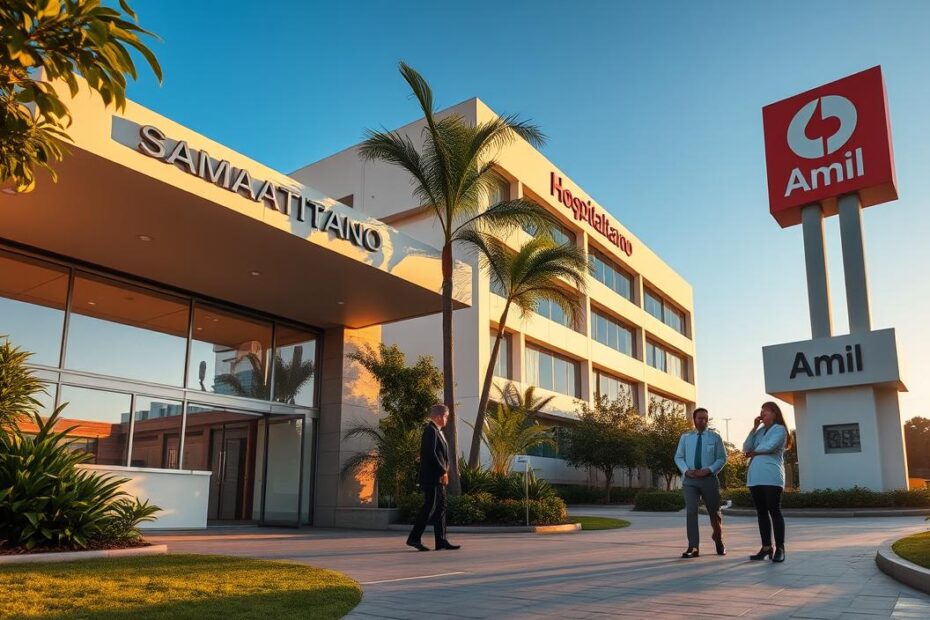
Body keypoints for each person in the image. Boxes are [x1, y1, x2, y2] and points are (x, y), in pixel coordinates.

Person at [674, 407, 727, 558]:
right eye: (700, 418)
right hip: (690, 480)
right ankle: (693, 546)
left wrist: (709, 469)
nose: (703, 421)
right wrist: (686, 470)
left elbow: (722, 458)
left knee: (714, 512)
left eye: (705, 418)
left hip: (708, 479)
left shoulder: (715, 437)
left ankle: (718, 540)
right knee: (691, 511)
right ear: (694, 420)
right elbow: (678, 457)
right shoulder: (686, 437)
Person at [406, 403, 460, 551]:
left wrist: (444, 471)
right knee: (429, 508)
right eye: (446, 416)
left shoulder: (437, 431)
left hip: (438, 477)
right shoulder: (430, 430)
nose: (447, 419)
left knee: (441, 508)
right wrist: (443, 471)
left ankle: (441, 540)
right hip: (432, 478)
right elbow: (431, 454)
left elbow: (441, 455)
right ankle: (414, 538)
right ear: (438, 416)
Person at [743, 401, 790, 563]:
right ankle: (766, 547)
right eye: (761, 411)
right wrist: (753, 428)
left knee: (774, 511)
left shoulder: (780, 430)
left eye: (766, 411)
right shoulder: (760, 431)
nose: (762, 414)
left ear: (774, 413)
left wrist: (753, 452)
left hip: (771, 476)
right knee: (761, 512)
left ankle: (780, 548)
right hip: (755, 476)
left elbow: (769, 447)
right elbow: (746, 447)